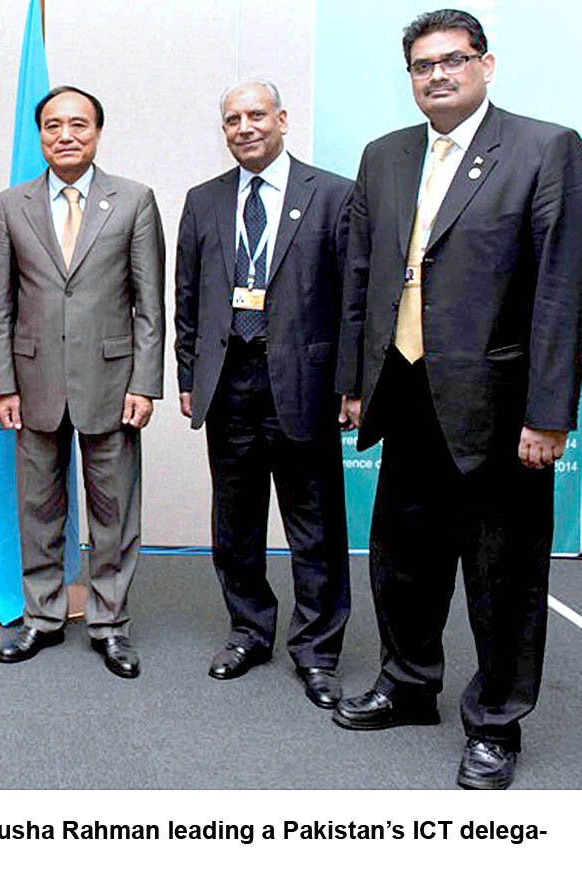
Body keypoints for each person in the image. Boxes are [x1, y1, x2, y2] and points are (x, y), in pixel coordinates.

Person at [335, 9, 582, 789]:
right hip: (404, 390)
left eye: (453, 60)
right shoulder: (384, 157)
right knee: (402, 561)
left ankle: (496, 723)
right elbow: (362, 282)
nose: (437, 75)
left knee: (502, 575)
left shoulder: (545, 149)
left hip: (501, 406)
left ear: (486, 65)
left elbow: (560, 292)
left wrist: (550, 413)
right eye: (422, 65)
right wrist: (353, 381)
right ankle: (409, 685)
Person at [174, 80, 352, 709]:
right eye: (231, 119)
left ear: (282, 118)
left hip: (302, 382)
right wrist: (189, 375)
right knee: (236, 522)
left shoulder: (332, 195)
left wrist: (349, 384)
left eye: (255, 115)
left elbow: (350, 299)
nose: (244, 127)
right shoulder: (203, 201)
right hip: (228, 384)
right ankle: (249, 630)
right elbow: (188, 298)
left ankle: (317, 651)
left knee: (316, 526)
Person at [0, 86, 165, 679]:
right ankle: (41, 617)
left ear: (97, 132)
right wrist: (3, 385)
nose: (66, 135)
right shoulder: (11, 205)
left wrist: (145, 383)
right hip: (33, 382)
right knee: (38, 509)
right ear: (39, 134)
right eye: (53, 125)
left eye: (78, 125)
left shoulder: (134, 201)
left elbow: (149, 305)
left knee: (113, 512)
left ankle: (110, 624)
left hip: (113, 385)